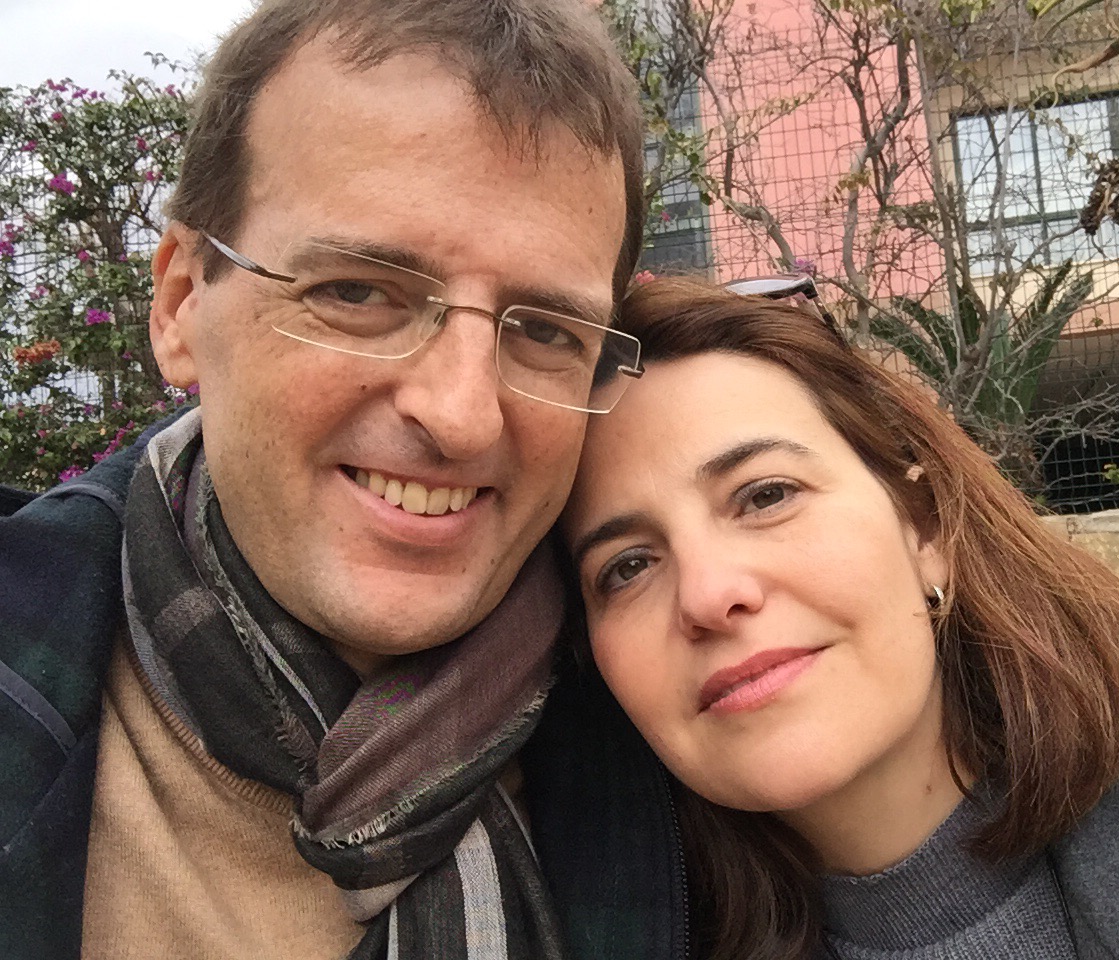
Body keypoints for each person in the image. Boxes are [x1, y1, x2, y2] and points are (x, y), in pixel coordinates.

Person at [0, 1, 647, 957]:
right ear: (180, 305)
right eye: (358, 292)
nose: (462, 414)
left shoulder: (684, 729)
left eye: (547, 331)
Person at [560, 277, 1119, 960]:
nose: (707, 595)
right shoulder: (582, 924)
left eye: (766, 495)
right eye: (627, 567)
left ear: (926, 526)